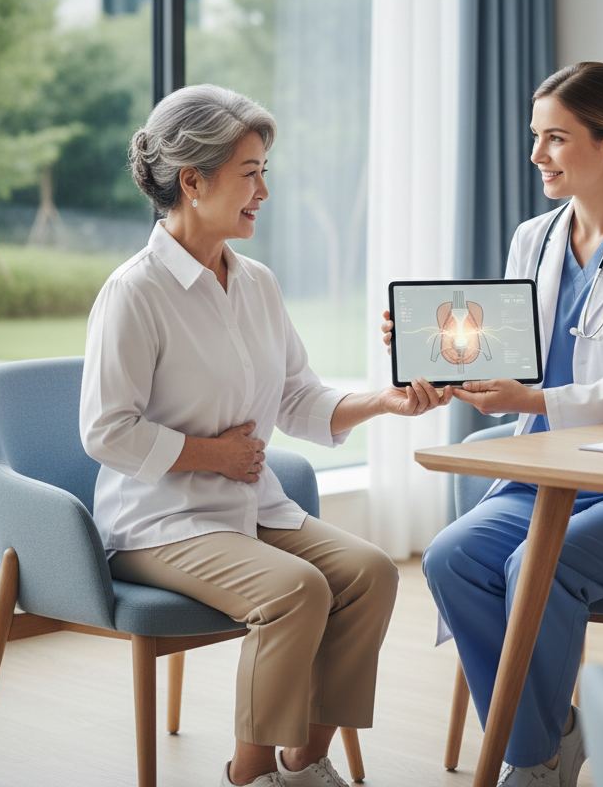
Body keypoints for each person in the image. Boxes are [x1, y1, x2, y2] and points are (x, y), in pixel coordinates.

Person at [80, 84, 450, 787]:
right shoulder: (134, 294)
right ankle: (249, 777)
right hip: (160, 524)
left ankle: (304, 764)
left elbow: (295, 397)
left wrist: (385, 402)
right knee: (297, 591)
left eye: (264, 173)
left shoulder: (257, 284)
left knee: (369, 575)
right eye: (250, 174)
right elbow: (106, 431)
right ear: (194, 181)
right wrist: (209, 454)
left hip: (248, 509)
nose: (263, 192)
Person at [389, 62, 603, 787]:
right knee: (450, 558)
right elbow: (504, 354)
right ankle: (549, 736)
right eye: (535, 137)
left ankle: (528, 762)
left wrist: (532, 401)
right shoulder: (532, 239)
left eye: (556, 139)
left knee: (538, 565)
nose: (537, 155)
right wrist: (428, 349)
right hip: (545, 471)